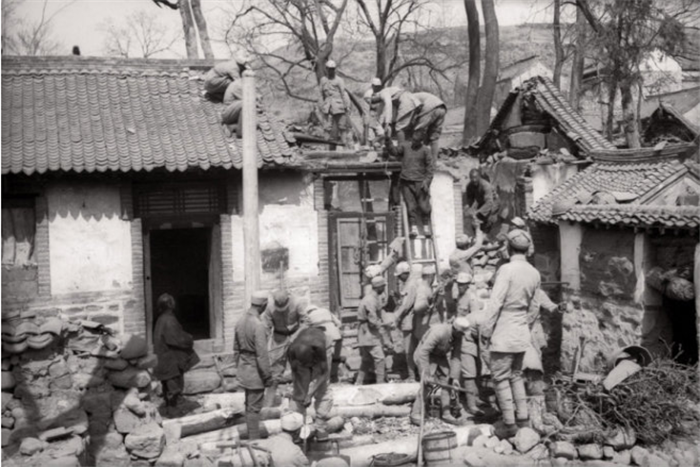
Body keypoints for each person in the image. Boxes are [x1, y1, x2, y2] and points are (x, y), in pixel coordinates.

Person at [481, 229, 541, 439]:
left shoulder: (506, 270)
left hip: (504, 330)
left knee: (500, 378)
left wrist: (486, 330)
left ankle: (509, 424)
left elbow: (495, 302)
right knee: (516, 375)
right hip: (521, 330)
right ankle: (523, 420)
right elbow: (535, 307)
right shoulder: (534, 272)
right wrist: (524, 325)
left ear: (508, 248)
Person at [410, 317, 472, 425]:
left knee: (447, 382)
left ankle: (446, 414)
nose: (463, 336)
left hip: (439, 356)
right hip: (424, 355)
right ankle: (415, 414)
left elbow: (456, 357)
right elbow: (424, 352)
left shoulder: (458, 337)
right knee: (427, 385)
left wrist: (455, 378)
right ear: (456, 330)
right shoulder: (439, 332)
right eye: (462, 333)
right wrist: (426, 374)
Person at [233, 290, 273, 440]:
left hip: (244, 368)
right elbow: (262, 355)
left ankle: (251, 437)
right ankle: (254, 441)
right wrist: (267, 377)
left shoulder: (240, 321)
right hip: (255, 372)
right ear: (263, 305)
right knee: (254, 409)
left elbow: (235, 349)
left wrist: (240, 367)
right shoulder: (258, 325)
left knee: (249, 405)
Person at [153, 293, 200, 411]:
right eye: (172, 302)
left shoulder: (162, 319)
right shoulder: (168, 320)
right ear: (170, 305)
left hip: (165, 359)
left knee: (169, 386)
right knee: (174, 386)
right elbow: (177, 339)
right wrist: (189, 338)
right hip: (170, 361)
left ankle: (171, 407)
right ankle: (176, 410)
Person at [261, 289, 306, 407]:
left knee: (298, 370)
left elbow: (305, 322)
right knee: (275, 374)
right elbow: (266, 327)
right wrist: (264, 344)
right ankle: (268, 405)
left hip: (296, 337)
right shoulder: (270, 307)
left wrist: (295, 336)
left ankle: (298, 404)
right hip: (279, 339)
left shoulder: (297, 303)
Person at [386, 131, 434, 238]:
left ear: (421, 142)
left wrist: (427, 182)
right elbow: (394, 152)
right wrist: (388, 140)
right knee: (410, 205)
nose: (413, 142)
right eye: (413, 139)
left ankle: (426, 227)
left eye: (416, 141)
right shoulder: (405, 147)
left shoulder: (425, 151)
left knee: (424, 206)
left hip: (420, 182)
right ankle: (413, 228)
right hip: (406, 181)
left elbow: (430, 169)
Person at [287, 327, 333, 436]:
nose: (309, 367)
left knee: (323, 390)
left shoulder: (319, 347)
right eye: (306, 365)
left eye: (310, 364)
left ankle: (320, 425)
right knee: (298, 392)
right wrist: (301, 393)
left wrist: (309, 394)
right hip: (303, 354)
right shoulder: (291, 350)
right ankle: (297, 423)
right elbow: (295, 375)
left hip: (322, 349)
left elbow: (323, 374)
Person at [453, 273, 484, 417]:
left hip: (470, 338)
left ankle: (473, 403)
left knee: (471, 371)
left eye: (462, 284)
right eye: (458, 284)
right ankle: (473, 400)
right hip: (461, 335)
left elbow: (475, 319)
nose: (460, 286)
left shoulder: (472, 298)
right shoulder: (460, 296)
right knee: (468, 370)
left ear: (468, 285)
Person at [356, 276, 392, 385]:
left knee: (366, 360)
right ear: (379, 287)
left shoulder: (374, 298)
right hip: (368, 333)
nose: (384, 288)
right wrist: (385, 331)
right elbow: (373, 322)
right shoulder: (370, 300)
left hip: (368, 332)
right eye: (383, 286)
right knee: (380, 359)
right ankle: (380, 383)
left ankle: (358, 383)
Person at [392, 262, 421, 381]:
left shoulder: (410, 285)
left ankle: (412, 376)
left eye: (400, 275)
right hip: (413, 320)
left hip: (409, 321)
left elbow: (405, 305)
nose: (399, 278)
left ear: (405, 273)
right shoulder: (410, 283)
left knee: (409, 349)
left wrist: (395, 317)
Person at [301, 305, 342, 379]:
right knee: (335, 359)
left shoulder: (308, 316)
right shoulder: (326, 311)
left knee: (324, 358)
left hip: (324, 337)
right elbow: (339, 323)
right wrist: (334, 329)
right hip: (336, 337)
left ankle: (324, 379)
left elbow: (305, 329)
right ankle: (334, 377)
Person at [319, 60, 352, 149]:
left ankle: (345, 148)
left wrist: (347, 106)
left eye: (332, 69)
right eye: (329, 69)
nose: (331, 71)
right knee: (327, 128)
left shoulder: (339, 80)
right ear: (326, 69)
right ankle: (326, 150)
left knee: (342, 127)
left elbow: (343, 94)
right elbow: (321, 95)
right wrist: (321, 106)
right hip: (327, 107)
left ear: (335, 69)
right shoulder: (323, 80)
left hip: (339, 107)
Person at [411, 92, 447, 162]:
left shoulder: (409, 98)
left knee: (418, 132)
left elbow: (410, 115)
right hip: (442, 108)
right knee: (434, 137)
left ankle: (414, 159)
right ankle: (433, 162)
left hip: (431, 108)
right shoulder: (418, 96)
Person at [413, 264, 442, 341]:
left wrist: (436, 292)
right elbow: (418, 307)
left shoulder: (425, 286)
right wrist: (428, 307)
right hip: (425, 327)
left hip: (428, 326)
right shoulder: (423, 289)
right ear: (430, 276)